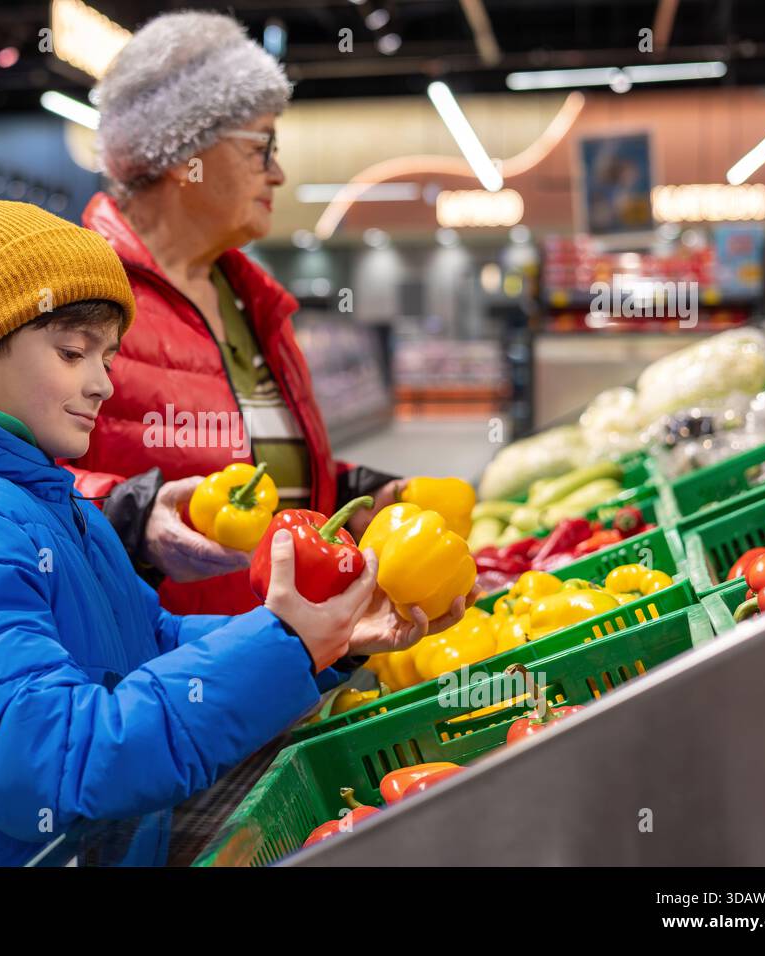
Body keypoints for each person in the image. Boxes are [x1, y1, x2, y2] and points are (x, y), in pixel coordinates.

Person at [0, 198, 419, 866]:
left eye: (107, 358)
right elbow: (45, 766)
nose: (101, 384)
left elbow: (155, 642)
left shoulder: (52, 505)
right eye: (72, 352)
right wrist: (282, 645)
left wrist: (317, 640)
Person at [67, 10, 478, 633]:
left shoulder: (252, 300)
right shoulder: (74, 294)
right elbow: (0, 484)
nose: (278, 172)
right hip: (155, 685)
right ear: (184, 153)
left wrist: (357, 499)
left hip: (280, 667)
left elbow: (259, 477)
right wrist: (132, 517)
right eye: (262, 147)